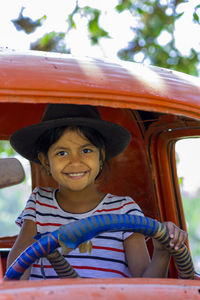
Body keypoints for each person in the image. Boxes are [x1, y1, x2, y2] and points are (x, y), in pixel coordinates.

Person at [7, 103, 187, 280]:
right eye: (62, 153)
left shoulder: (124, 209)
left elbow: (146, 288)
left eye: (86, 150)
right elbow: (16, 272)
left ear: (101, 156)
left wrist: (162, 253)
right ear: (45, 161)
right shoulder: (39, 203)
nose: (75, 162)